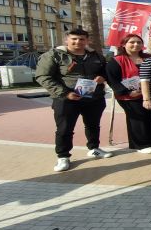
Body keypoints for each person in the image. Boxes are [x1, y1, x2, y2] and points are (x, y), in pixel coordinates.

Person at [35, 28, 112, 172]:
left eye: (82, 39)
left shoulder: (96, 56)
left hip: (93, 98)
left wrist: (103, 78)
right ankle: (63, 156)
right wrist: (65, 93)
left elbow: (105, 71)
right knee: (64, 128)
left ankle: (94, 148)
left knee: (93, 125)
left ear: (87, 41)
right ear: (67, 40)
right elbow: (43, 76)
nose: (78, 42)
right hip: (66, 99)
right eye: (74, 39)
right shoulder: (55, 55)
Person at [106, 34, 151, 154]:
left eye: (139, 42)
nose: (136, 44)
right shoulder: (116, 60)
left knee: (150, 116)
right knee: (137, 118)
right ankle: (140, 144)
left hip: (149, 94)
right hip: (128, 96)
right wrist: (128, 92)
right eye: (132, 42)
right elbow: (112, 79)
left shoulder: (149, 57)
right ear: (124, 45)